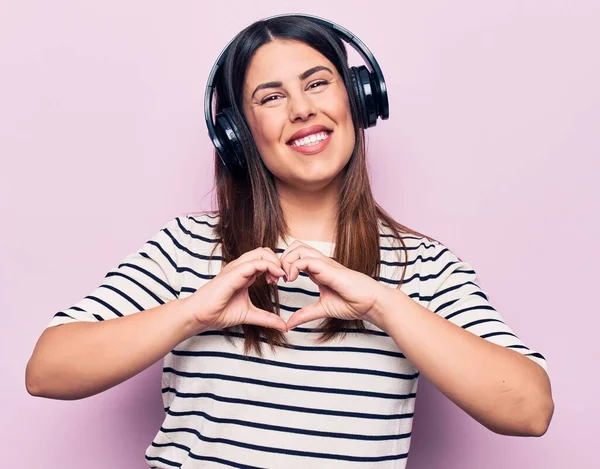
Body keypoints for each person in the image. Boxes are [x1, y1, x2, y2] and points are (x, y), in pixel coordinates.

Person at [26, 14, 554, 469]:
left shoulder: (424, 267)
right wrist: (192, 314)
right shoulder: (185, 246)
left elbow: (529, 409)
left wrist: (379, 302)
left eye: (318, 83)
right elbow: (47, 370)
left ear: (359, 98)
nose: (301, 109)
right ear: (238, 131)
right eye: (271, 97)